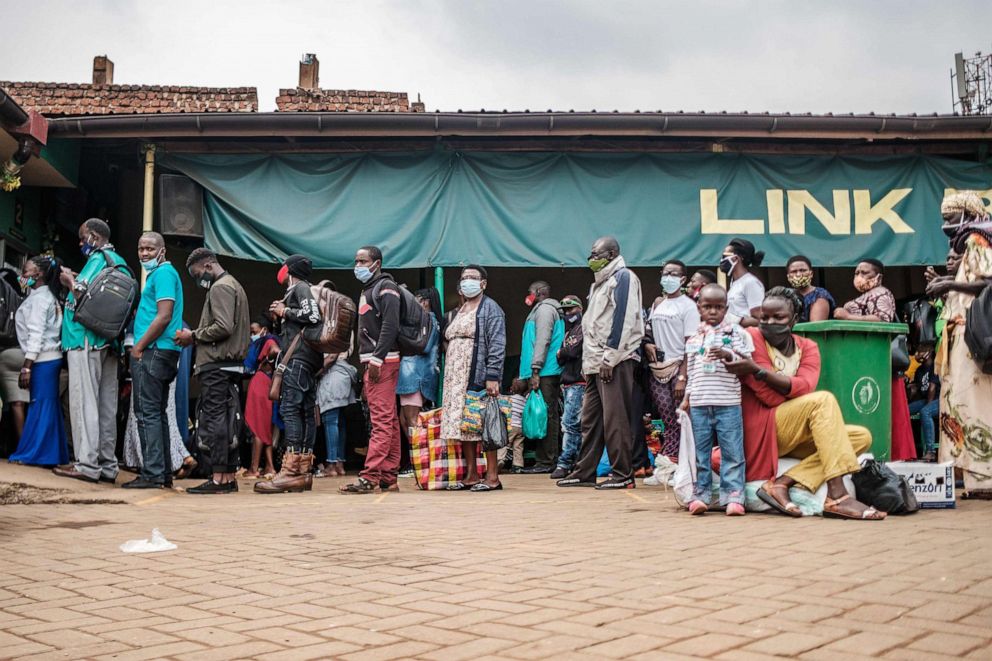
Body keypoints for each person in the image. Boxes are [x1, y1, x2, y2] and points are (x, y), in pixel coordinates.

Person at [726, 287, 885, 520]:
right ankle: (837, 495)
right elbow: (768, 397)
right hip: (763, 429)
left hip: (793, 428)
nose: (769, 322)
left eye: (778, 317)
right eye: (764, 317)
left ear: (794, 319)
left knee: (861, 436)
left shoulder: (807, 346)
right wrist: (786, 387)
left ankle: (783, 482)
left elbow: (806, 386)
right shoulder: (751, 337)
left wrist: (759, 371)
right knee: (822, 400)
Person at [558, 236, 644, 490]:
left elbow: (623, 320)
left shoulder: (624, 278)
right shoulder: (599, 283)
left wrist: (610, 356)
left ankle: (623, 474)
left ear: (612, 253)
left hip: (614, 361)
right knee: (590, 419)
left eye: (597, 254)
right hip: (595, 363)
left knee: (615, 419)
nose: (591, 258)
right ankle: (585, 471)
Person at [927, 190, 992, 496]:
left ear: (968, 214)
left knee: (974, 404)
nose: (946, 225)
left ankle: (985, 479)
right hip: (956, 339)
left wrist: (950, 282)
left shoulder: (977, 239)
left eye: (951, 218)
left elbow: (989, 282)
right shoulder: (967, 247)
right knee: (956, 405)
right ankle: (966, 476)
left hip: (969, 339)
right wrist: (946, 286)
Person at [53, 218, 127, 485]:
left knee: (84, 400)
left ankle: (86, 464)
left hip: (85, 338)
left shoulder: (97, 258)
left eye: (84, 237)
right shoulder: (120, 263)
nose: (81, 242)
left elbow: (80, 293)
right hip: (109, 342)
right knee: (107, 405)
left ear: (95, 237)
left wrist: (68, 279)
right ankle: (107, 465)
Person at [176, 249, 250, 494]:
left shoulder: (220, 287)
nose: (199, 281)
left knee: (216, 420)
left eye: (198, 274)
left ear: (208, 265)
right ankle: (227, 476)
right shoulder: (235, 285)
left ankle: (218, 478)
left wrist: (193, 336)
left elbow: (222, 326)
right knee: (228, 421)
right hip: (229, 365)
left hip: (217, 365)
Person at [681, 284, 753, 516]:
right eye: (708, 307)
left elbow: (746, 362)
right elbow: (691, 372)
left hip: (728, 403)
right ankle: (701, 494)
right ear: (699, 308)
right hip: (700, 403)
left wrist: (727, 354)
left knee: (732, 451)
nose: (713, 311)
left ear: (726, 308)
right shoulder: (694, 338)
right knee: (701, 453)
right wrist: (686, 398)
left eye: (718, 307)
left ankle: (734, 496)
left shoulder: (736, 334)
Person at [834, 259, 915, 461]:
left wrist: (847, 317)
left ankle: (893, 454)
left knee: (885, 407)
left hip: (879, 364)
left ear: (878, 276)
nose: (859, 276)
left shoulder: (882, 293)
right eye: (857, 272)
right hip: (864, 362)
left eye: (865, 272)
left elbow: (883, 319)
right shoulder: (865, 295)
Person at [121, 232, 184, 489]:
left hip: (155, 350)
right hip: (161, 350)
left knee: (146, 412)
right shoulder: (160, 275)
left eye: (150, 249)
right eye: (141, 248)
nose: (144, 253)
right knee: (156, 413)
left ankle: (152, 474)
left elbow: (164, 315)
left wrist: (139, 346)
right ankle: (162, 473)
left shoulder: (164, 274)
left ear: (162, 250)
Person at [256, 255, 321, 493]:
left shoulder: (300, 288)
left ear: (289, 270)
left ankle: (291, 471)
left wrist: (285, 312)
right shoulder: (302, 290)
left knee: (291, 411)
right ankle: (303, 472)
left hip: (298, 360)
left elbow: (313, 317)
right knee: (304, 412)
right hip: (307, 359)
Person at [340, 246, 402, 495]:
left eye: (363, 260)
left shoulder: (385, 288)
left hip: (382, 362)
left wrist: (377, 359)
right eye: (355, 260)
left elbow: (390, 325)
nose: (358, 265)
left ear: (377, 263)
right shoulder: (371, 288)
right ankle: (388, 476)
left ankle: (370, 476)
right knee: (390, 420)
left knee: (381, 421)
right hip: (380, 361)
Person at [440, 265, 506, 491]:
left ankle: (492, 476)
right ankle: (470, 475)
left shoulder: (491, 308)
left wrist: (492, 376)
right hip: (456, 378)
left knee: (483, 424)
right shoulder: (462, 308)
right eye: (464, 277)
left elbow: (497, 344)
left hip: (475, 372)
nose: (467, 281)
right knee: (465, 425)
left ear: (483, 283)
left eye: (472, 277)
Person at [8, 256, 68, 467]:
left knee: (40, 405)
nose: (22, 276)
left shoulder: (40, 300)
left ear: (39, 274)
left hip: (43, 359)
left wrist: (27, 366)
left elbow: (36, 334)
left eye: (26, 272)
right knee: (46, 406)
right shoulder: (47, 297)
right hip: (50, 359)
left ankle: (35, 453)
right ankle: (52, 453)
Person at [643, 260, 699, 462]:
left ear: (683, 279)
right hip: (658, 369)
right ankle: (671, 460)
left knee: (682, 418)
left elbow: (690, 344)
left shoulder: (689, 307)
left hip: (679, 368)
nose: (668, 277)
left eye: (674, 274)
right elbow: (648, 331)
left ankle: (684, 462)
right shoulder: (659, 304)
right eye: (665, 273)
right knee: (667, 418)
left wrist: (684, 376)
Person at [518, 281, 565, 474]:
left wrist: (535, 370)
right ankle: (544, 460)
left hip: (545, 371)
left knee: (545, 415)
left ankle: (546, 461)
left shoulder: (545, 309)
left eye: (529, 293)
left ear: (538, 293)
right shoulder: (543, 309)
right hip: (544, 370)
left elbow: (542, 340)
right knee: (544, 414)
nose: (527, 296)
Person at [396, 287, 441, 444]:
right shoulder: (434, 321)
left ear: (425, 302)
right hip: (421, 374)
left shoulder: (426, 320)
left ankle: (419, 460)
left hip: (414, 376)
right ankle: (417, 458)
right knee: (404, 419)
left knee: (413, 422)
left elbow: (424, 346)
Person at [551, 295, 586, 479]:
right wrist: (562, 353)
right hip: (568, 382)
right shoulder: (568, 331)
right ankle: (575, 462)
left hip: (579, 382)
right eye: (565, 310)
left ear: (580, 308)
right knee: (572, 424)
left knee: (570, 424)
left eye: (571, 309)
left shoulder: (583, 328)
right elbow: (562, 355)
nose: (568, 313)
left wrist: (562, 352)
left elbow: (572, 351)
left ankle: (565, 462)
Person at [243, 316, 279, 478]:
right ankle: (270, 467)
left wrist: (267, 361)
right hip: (266, 382)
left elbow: (275, 351)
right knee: (265, 428)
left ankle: (254, 468)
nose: (252, 335)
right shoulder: (265, 341)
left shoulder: (269, 340)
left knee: (258, 428)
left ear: (264, 330)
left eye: (254, 332)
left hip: (260, 382)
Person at [316, 352, 358, 477]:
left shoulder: (333, 332)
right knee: (340, 422)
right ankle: (340, 463)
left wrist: (317, 371)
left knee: (330, 421)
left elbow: (331, 356)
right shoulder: (347, 332)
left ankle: (331, 464)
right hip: (343, 374)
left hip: (332, 375)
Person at [720, 238, 765, 326]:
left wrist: (736, 320)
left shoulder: (750, 283)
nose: (722, 260)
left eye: (725, 256)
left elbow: (760, 320)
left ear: (736, 258)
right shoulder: (735, 283)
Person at [907, 343, 939, 462]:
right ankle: (909, 450)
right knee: (905, 410)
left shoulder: (935, 366)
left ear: (929, 353)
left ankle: (931, 451)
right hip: (926, 399)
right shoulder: (919, 370)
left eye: (921, 352)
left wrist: (928, 406)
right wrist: (912, 389)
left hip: (939, 399)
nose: (917, 354)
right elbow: (919, 389)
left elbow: (932, 388)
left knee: (925, 412)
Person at [785, 255, 835, 323]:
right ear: (788, 276)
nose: (798, 274)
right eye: (794, 271)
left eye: (803, 270)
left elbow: (815, 328)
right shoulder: (785, 295)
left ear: (811, 273)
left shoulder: (820, 295)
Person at [499, 378, 528, 473]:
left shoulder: (509, 399)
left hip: (510, 426)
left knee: (504, 444)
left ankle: (500, 460)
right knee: (518, 446)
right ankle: (518, 466)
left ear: (512, 388)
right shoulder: (525, 401)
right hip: (520, 427)